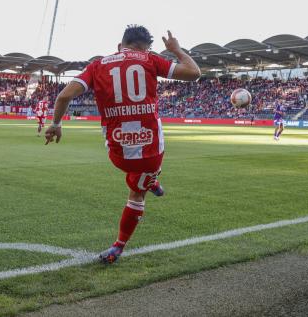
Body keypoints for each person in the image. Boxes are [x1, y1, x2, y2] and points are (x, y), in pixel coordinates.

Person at [44, 26, 201, 264]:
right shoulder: (150, 59)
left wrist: (56, 123)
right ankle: (119, 244)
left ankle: (150, 179)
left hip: (118, 151)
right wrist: (176, 50)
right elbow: (193, 72)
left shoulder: (98, 65)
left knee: (135, 175)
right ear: (145, 48)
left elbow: (64, 96)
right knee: (137, 194)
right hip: (150, 149)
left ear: (120, 46)